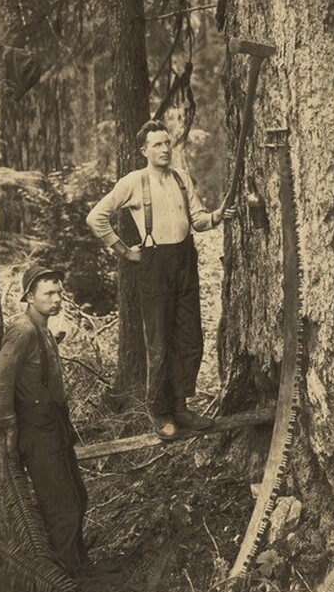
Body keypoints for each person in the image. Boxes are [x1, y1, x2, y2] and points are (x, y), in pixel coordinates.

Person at [86, 119, 236, 440]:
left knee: (190, 338)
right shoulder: (134, 181)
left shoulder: (182, 178)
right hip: (155, 266)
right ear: (145, 150)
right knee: (159, 344)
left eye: (167, 143)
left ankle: (181, 405)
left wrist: (216, 216)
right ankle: (160, 411)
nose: (165, 149)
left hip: (185, 261)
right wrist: (125, 251)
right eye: (157, 144)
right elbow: (96, 217)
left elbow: (197, 220)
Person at [0, 265, 89, 575]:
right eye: (48, 293)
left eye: (59, 293)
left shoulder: (42, 327)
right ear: (30, 297)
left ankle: (82, 565)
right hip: (36, 429)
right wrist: (10, 428)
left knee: (78, 497)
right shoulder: (23, 330)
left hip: (54, 422)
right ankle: (68, 582)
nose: (56, 299)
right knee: (61, 507)